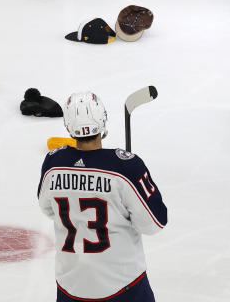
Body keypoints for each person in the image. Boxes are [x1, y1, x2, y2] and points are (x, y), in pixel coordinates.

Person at [38, 92, 167, 301]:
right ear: (103, 120)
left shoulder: (53, 164)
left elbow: (47, 209)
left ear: (69, 126)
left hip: (70, 288)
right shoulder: (126, 167)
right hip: (124, 287)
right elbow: (154, 224)